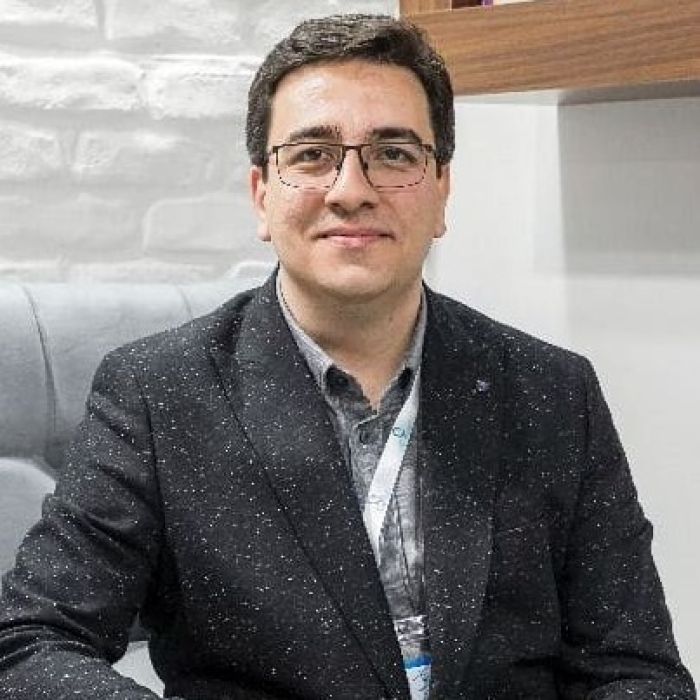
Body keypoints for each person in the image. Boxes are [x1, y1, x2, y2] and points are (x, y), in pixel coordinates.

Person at [0, 13, 695, 700]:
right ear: (261, 195)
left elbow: (637, 672)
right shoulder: (158, 394)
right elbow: (32, 641)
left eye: (394, 154)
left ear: (441, 191)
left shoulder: (553, 391)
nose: (351, 190)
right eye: (312, 155)